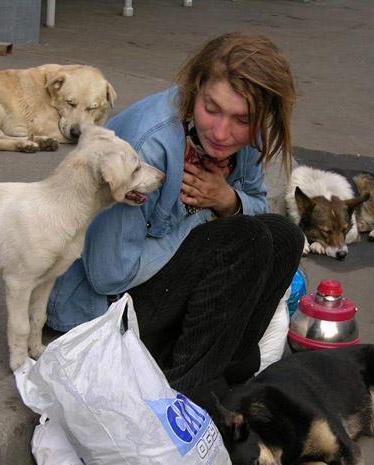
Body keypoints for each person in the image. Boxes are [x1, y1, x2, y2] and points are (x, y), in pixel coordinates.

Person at [47, 32, 303, 410]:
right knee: (244, 239)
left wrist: (226, 200)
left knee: (283, 236)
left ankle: (217, 365)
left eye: (241, 120)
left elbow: (260, 205)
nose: (221, 132)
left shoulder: (243, 138)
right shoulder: (148, 144)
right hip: (99, 311)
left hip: (161, 291)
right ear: (195, 87)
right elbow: (109, 273)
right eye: (211, 109)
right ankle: (181, 393)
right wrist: (200, 214)